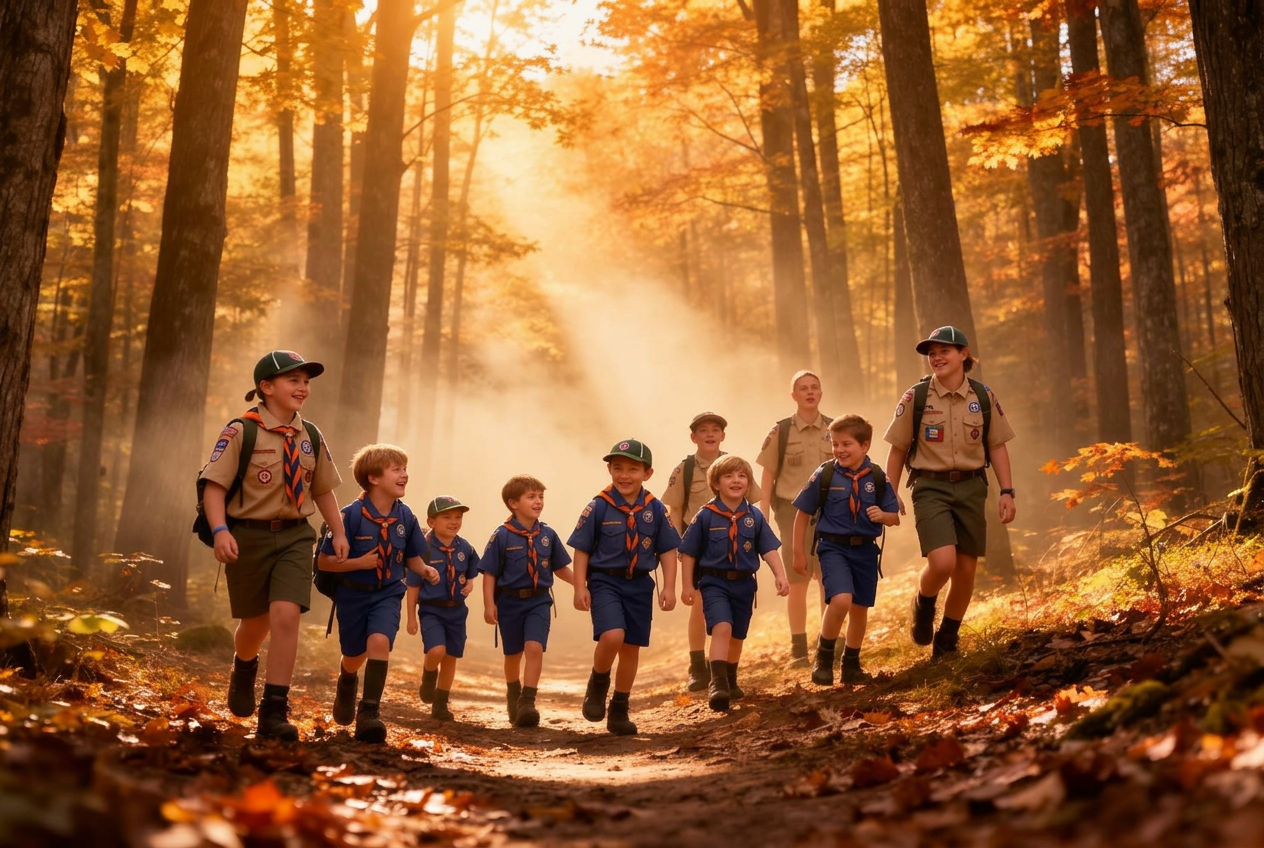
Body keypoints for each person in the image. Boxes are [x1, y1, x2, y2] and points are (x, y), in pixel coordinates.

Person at [198, 350, 348, 742]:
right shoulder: (241, 431)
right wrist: (219, 531)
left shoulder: (311, 436)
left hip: (297, 535)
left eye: (306, 381)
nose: (303, 388)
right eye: (293, 381)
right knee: (255, 623)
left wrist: (339, 532)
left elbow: (324, 490)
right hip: (248, 535)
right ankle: (244, 666)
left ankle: (274, 709)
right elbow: (213, 487)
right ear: (266, 388)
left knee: (285, 615)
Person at [883, 326, 1017, 658]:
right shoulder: (916, 397)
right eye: (932, 353)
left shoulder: (983, 397)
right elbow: (898, 449)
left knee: (967, 570)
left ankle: (947, 639)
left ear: (964, 355)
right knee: (943, 563)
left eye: (945, 351)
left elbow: (997, 446)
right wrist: (890, 491)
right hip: (931, 486)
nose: (937, 358)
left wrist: (1007, 491)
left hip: (972, 487)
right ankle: (924, 601)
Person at [317, 444, 438, 743]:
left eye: (405, 469)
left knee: (380, 641)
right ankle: (347, 678)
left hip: (388, 592)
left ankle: (369, 712)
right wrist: (358, 562)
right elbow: (323, 562)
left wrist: (424, 570)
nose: (404, 475)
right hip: (353, 595)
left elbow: (411, 556)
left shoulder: (405, 516)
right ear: (373, 478)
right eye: (396, 470)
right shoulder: (349, 516)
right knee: (354, 653)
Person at [570, 439, 680, 736]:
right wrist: (580, 586)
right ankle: (598, 682)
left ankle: (619, 708)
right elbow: (581, 550)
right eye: (618, 468)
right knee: (613, 635)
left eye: (633, 469)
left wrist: (669, 586)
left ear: (648, 473)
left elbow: (668, 550)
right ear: (609, 469)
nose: (625, 475)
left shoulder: (655, 509)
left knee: (631, 648)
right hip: (605, 580)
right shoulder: (598, 506)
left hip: (640, 585)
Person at [791, 416, 900, 686]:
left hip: (865, 551)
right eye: (835, 443)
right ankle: (824, 658)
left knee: (860, 609)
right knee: (840, 600)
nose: (839, 450)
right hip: (832, 548)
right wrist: (798, 553)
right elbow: (803, 513)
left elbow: (894, 517)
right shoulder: (825, 474)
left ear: (865, 445)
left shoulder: (877, 476)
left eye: (846, 444)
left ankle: (851, 663)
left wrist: (882, 515)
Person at [660, 412, 764, 692]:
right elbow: (675, 510)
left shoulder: (734, 465)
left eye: (715, 430)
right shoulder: (685, 469)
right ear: (693, 437)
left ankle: (722, 668)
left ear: (723, 435)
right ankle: (697, 667)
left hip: (731, 551)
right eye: (703, 430)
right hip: (698, 548)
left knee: (727, 615)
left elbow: (752, 505)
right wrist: (679, 549)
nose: (709, 434)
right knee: (698, 607)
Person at [679, 455, 789, 711]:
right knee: (722, 627)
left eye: (741, 476)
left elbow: (769, 549)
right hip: (713, 582)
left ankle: (730, 678)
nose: (736, 481)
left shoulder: (754, 516)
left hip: (744, 584)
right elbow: (689, 553)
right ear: (716, 484)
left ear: (748, 483)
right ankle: (717, 684)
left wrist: (780, 575)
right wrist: (687, 586)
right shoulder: (705, 516)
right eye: (729, 476)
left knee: (737, 634)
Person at [480, 475, 574, 728]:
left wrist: (582, 585)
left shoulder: (548, 534)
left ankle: (528, 702)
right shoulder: (501, 535)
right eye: (531, 497)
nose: (538, 501)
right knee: (513, 654)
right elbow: (489, 574)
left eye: (541, 496)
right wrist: (490, 604)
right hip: (510, 602)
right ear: (513, 503)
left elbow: (561, 568)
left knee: (534, 648)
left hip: (539, 601)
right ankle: (514, 692)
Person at [755, 370, 834, 665]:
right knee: (798, 578)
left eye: (815, 387)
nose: (810, 392)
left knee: (829, 576)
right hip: (791, 511)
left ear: (821, 393)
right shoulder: (781, 431)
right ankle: (799, 649)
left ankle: (828, 644)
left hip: (830, 511)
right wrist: (762, 514)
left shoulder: (834, 428)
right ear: (794, 396)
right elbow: (768, 474)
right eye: (803, 388)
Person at [406, 496, 479, 722]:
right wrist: (411, 618)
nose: (453, 521)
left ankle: (441, 703)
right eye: (446, 517)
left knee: (451, 656)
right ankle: (429, 676)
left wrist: (469, 584)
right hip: (432, 610)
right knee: (437, 651)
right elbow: (413, 586)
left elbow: (471, 574)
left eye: (458, 517)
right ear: (431, 521)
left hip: (457, 610)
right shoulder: (423, 550)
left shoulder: (465, 547)